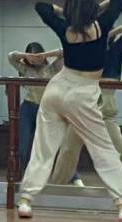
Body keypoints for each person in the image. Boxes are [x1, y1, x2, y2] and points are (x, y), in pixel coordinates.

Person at [17, 0, 122, 222]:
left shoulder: (64, 28)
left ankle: (26, 201)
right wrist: (94, 10)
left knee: (43, 149)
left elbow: (42, 6)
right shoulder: (102, 24)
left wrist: (68, 13)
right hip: (83, 92)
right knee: (103, 150)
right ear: (93, 9)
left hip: (56, 88)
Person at [48, 22, 122, 188]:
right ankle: (55, 188)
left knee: (121, 152)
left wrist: (108, 35)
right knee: (68, 150)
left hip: (105, 109)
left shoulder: (116, 49)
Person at [8, 43, 81, 185]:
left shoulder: (52, 68)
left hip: (48, 109)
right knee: (23, 145)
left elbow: (66, 52)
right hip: (28, 107)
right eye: (32, 56)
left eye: (38, 55)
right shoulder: (25, 69)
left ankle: (74, 176)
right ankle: (25, 176)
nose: (36, 59)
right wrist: (26, 56)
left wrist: (45, 55)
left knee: (58, 143)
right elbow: (11, 57)